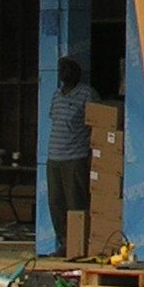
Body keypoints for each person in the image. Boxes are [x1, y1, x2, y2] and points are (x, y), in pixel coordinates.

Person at [43, 54, 98, 258]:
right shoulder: (57, 95)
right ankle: (64, 243)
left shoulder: (86, 94)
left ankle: (79, 245)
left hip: (75, 157)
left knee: (76, 202)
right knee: (56, 202)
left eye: (67, 70)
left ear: (76, 73)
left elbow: (97, 123)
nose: (63, 74)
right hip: (54, 157)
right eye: (61, 70)